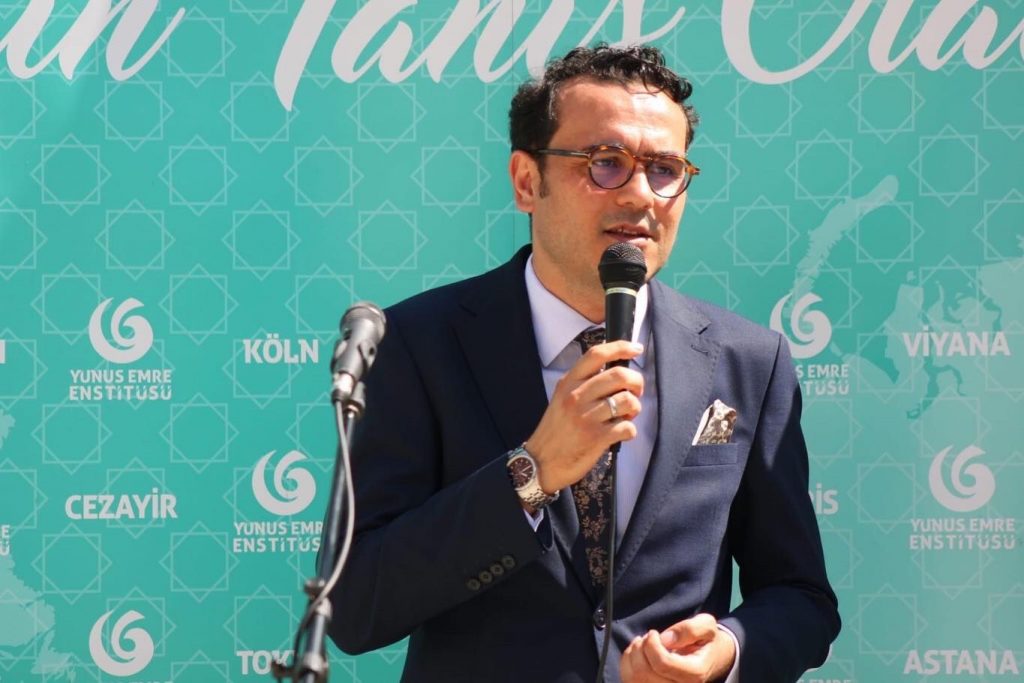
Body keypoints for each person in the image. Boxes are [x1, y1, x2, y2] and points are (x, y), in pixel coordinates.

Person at [328, 44, 840, 682]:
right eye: (605, 163)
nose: (641, 195)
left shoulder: (749, 362)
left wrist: (725, 653)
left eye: (664, 169)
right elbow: (355, 607)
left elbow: (801, 597)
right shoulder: (416, 343)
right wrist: (532, 473)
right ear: (527, 181)